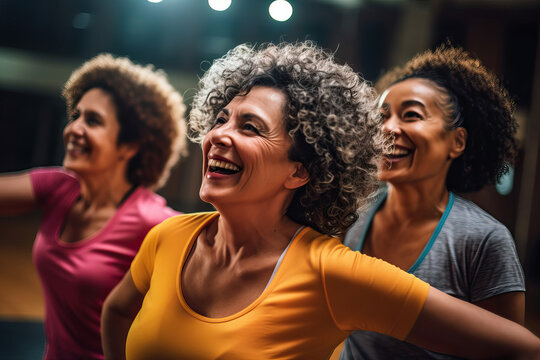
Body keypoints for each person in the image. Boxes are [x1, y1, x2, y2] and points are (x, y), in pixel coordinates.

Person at [101, 41, 540, 360]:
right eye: (221, 119)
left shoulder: (330, 270)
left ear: (300, 170)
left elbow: (518, 347)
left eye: (250, 127)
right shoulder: (168, 237)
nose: (218, 135)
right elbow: (117, 311)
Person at [338, 45, 525, 360]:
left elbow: (511, 352)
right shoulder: (355, 210)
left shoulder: (484, 239)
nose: (387, 128)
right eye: (381, 116)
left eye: (411, 115)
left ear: (457, 141)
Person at [0, 54, 187, 360]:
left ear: (130, 145)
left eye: (93, 121)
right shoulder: (58, 188)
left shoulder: (151, 220)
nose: (74, 129)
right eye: (75, 115)